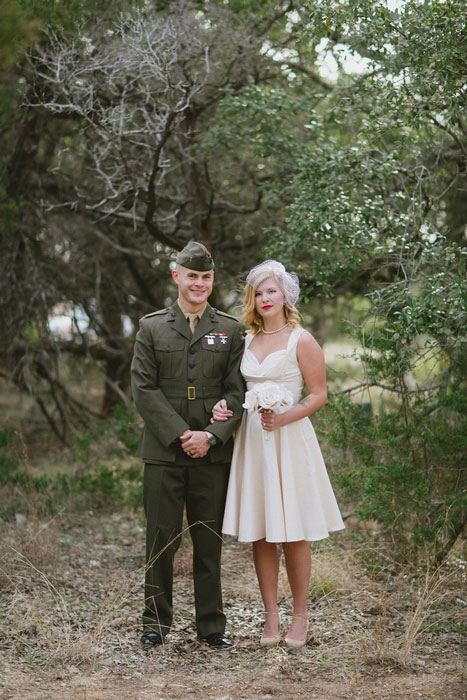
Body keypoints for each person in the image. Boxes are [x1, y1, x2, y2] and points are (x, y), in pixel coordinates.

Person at [212, 260, 344, 649]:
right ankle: (271, 617)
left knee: (293, 532)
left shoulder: (301, 339)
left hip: (288, 439)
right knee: (263, 531)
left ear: (286, 295)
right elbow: (236, 391)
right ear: (252, 299)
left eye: (272, 290)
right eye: (258, 292)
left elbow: (319, 394)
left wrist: (286, 416)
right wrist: (223, 408)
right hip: (253, 441)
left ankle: (299, 618)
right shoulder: (245, 340)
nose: (265, 298)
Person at [131, 241, 245, 649]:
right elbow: (143, 389)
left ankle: (212, 627)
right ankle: (155, 623)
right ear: (176, 275)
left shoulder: (231, 329)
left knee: (208, 540)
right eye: (192, 275)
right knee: (161, 537)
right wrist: (183, 435)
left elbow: (238, 392)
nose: (199, 283)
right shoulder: (152, 326)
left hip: (211, 455)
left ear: (212, 280)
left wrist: (211, 437)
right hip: (164, 453)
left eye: (206, 277)